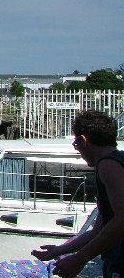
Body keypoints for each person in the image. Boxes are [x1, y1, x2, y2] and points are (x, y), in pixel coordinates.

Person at [32, 110, 124, 278]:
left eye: (77, 145)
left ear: (84, 140)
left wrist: (79, 259)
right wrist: (60, 251)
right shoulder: (117, 160)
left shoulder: (108, 165)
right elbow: (100, 229)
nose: (78, 151)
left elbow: (122, 220)